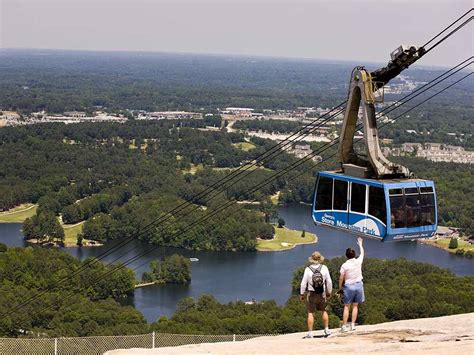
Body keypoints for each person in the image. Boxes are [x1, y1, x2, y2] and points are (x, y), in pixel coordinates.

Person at [300, 251, 333, 338]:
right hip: (322, 293)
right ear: (320, 259)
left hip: (311, 293)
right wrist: (329, 292)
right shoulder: (324, 268)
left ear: (312, 259)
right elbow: (329, 282)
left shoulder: (308, 269)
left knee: (311, 313)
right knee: (324, 311)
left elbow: (303, 284)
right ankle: (326, 330)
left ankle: (310, 333)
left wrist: (302, 294)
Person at [339, 237, 365, 332]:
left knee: (346, 307)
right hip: (358, 285)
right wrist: (360, 244)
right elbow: (362, 253)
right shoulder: (358, 261)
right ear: (354, 255)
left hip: (348, 287)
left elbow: (341, 277)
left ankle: (344, 326)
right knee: (355, 306)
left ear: (346, 255)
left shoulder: (344, 265)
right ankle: (353, 325)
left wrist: (340, 287)